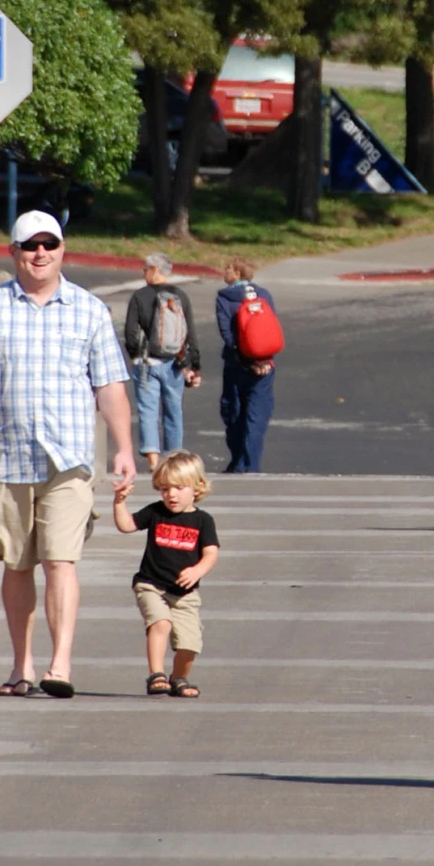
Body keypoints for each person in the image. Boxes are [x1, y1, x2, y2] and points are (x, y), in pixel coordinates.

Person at [0, 209, 136, 700]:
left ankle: (60, 664)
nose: (39, 253)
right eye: (29, 245)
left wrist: (125, 447)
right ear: (14, 253)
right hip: (5, 457)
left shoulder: (89, 310)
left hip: (68, 460)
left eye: (49, 244)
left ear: (62, 250)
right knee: (17, 564)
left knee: (61, 560)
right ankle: (21, 666)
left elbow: (109, 385)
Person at [113, 449, 219, 698]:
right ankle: (157, 675)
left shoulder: (203, 521)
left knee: (189, 644)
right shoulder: (156, 512)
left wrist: (197, 570)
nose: (171, 494)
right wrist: (119, 502)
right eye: (165, 488)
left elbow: (211, 553)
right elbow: (127, 525)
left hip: (184, 593)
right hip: (151, 584)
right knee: (160, 623)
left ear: (197, 487)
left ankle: (179, 678)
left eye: (179, 487)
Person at [123, 254, 202, 474]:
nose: (143, 272)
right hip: (174, 364)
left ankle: (153, 462)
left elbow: (130, 332)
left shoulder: (140, 296)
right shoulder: (180, 296)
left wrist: (134, 355)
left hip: (147, 362)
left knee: (148, 410)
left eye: (146, 268)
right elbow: (190, 332)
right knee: (173, 410)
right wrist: (194, 365)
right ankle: (174, 460)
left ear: (156, 269)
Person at [217, 257, 280, 474]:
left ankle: (237, 462)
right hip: (264, 366)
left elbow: (227, 334)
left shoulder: (225, 298)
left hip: (236, 366)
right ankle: (251, 465)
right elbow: (270, 331)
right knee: (256, 417)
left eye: (227, 269)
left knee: (233, 413)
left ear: (236, 273)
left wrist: (245, 359)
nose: (223, 272)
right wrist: (262, 360)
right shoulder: (264, 294)